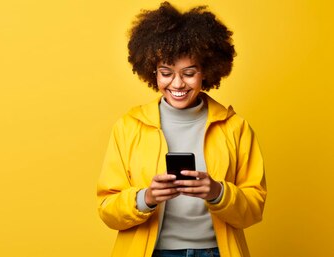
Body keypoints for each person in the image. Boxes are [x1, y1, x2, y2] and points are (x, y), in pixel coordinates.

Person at [96, 2, 267, 257]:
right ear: (152, 71)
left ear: (206, 72)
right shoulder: (129, 126)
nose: (177, 83)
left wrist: (217, 192)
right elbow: (107, 209)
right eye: (166, 72)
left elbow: (254, 208)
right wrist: (147, 197)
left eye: (189, 73)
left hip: (215, 253)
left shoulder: (235, 127)